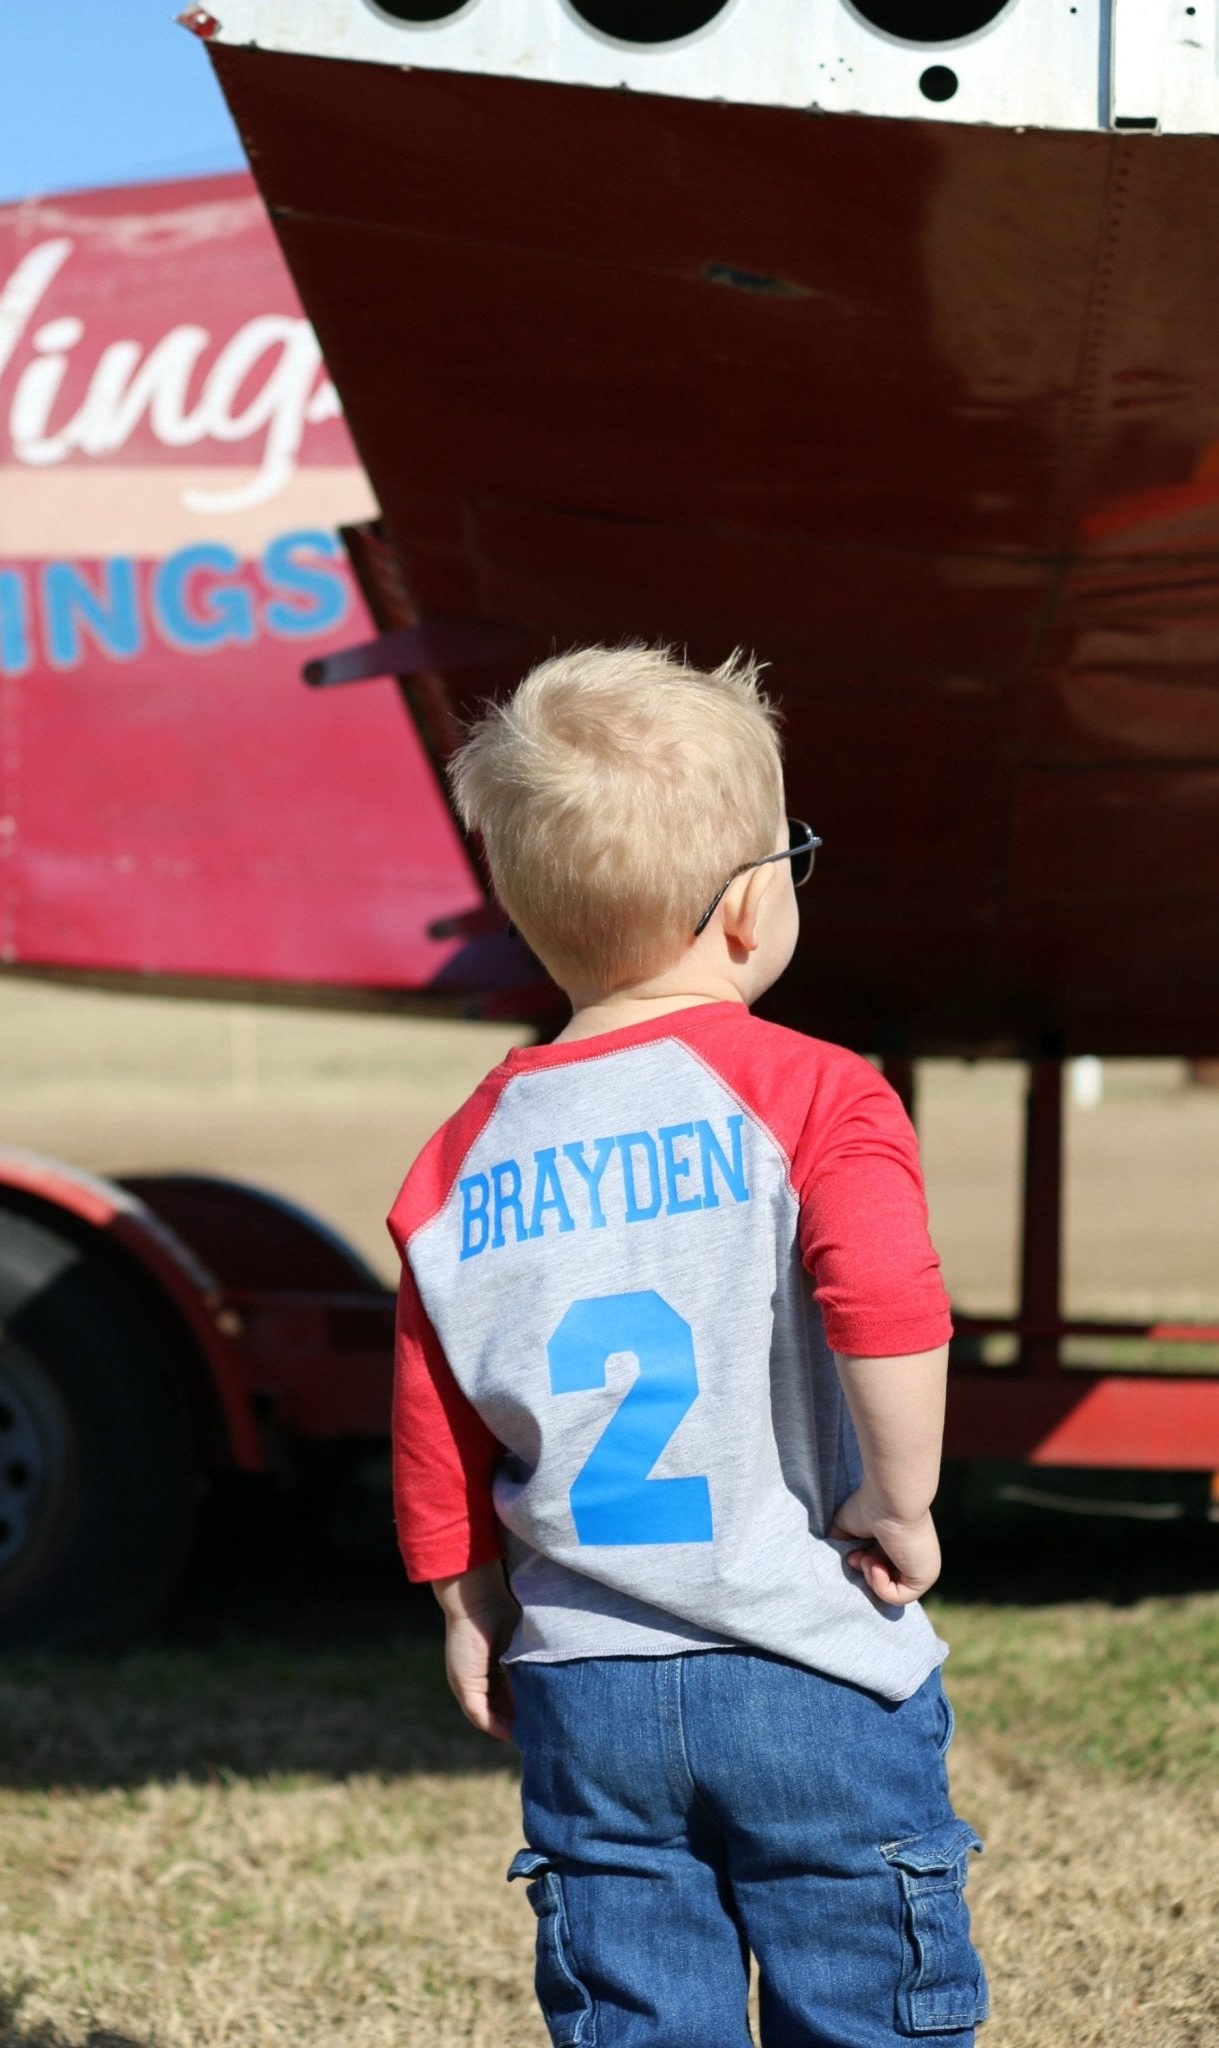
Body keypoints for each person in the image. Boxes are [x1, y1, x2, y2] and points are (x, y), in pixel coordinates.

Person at [387, 644, 989, 2047]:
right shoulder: (816, 1093)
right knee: (863, 2000)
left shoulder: (457, 1155)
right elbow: (885, 1302)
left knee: (637, 2007)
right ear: (746, 906)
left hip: (583, 1679)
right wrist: (897, 1501)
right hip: (805, 1660)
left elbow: (432, 1408)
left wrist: (463, 1605)